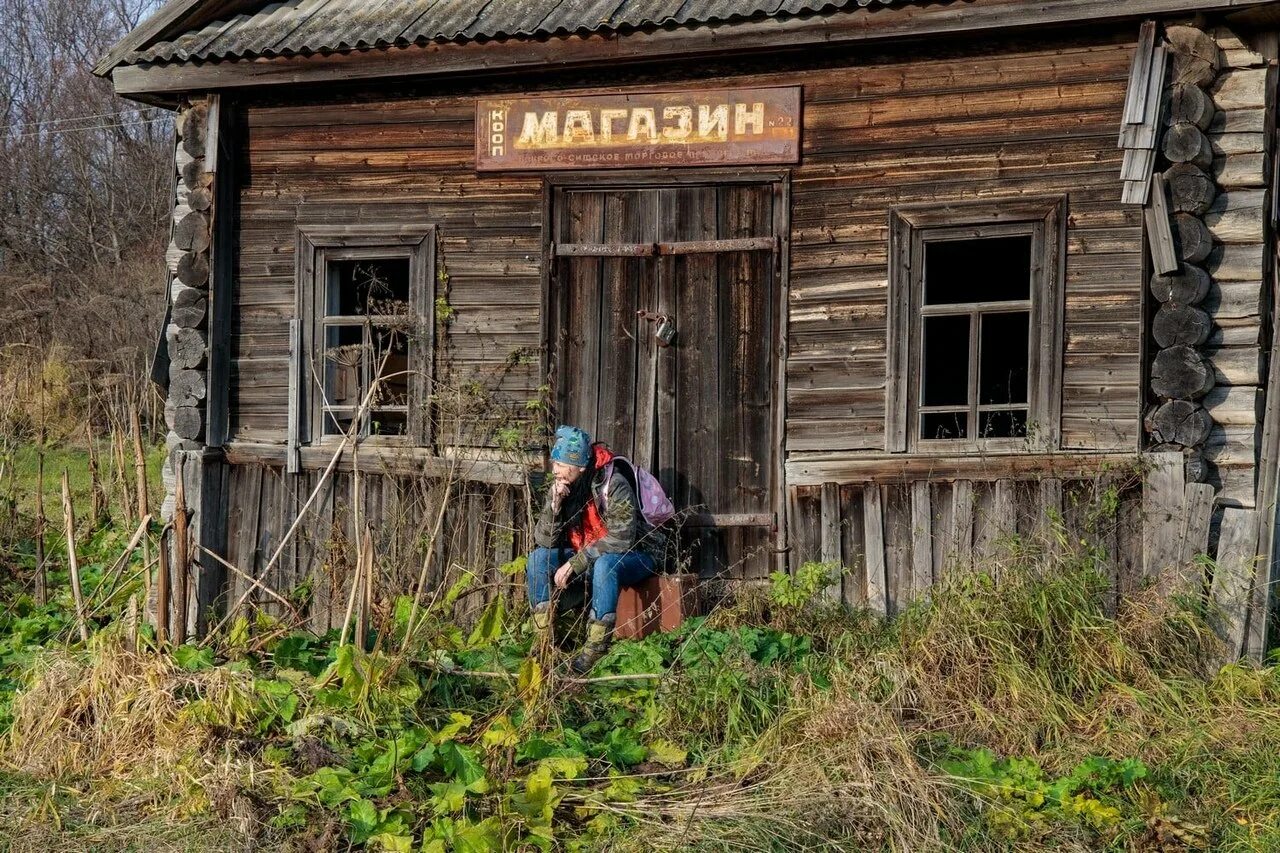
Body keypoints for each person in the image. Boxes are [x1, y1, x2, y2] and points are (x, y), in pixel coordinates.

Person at [526, 424, 664, 673]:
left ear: (580, 467)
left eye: (560, 465)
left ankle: (595, 649)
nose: (554, 470)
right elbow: (545, 541)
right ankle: (544, 642)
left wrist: (575, 563)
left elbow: (621, 539)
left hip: (637, 555)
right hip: (590, 555)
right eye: (554, 463)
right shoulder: (562, 487)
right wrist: (554, 508)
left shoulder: (614, 485)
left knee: (605, 564)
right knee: (538, 558)